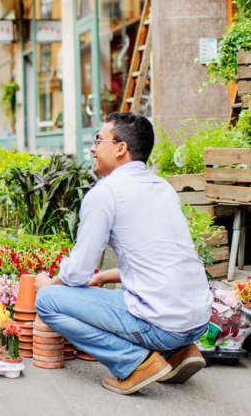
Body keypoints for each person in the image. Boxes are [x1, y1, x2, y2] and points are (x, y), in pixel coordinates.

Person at [34, 112, 212, 395]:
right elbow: (160, 258)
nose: (92, 148)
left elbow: (78, 271)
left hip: (163, 323)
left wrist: (48, 284)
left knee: (47, 301)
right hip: (199, 319)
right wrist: (104, 276)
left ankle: (135, 364)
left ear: (120, 148)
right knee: (120, 298)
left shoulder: (106, 193)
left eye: (98, 139)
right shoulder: (162, 188)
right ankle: (179, 351)